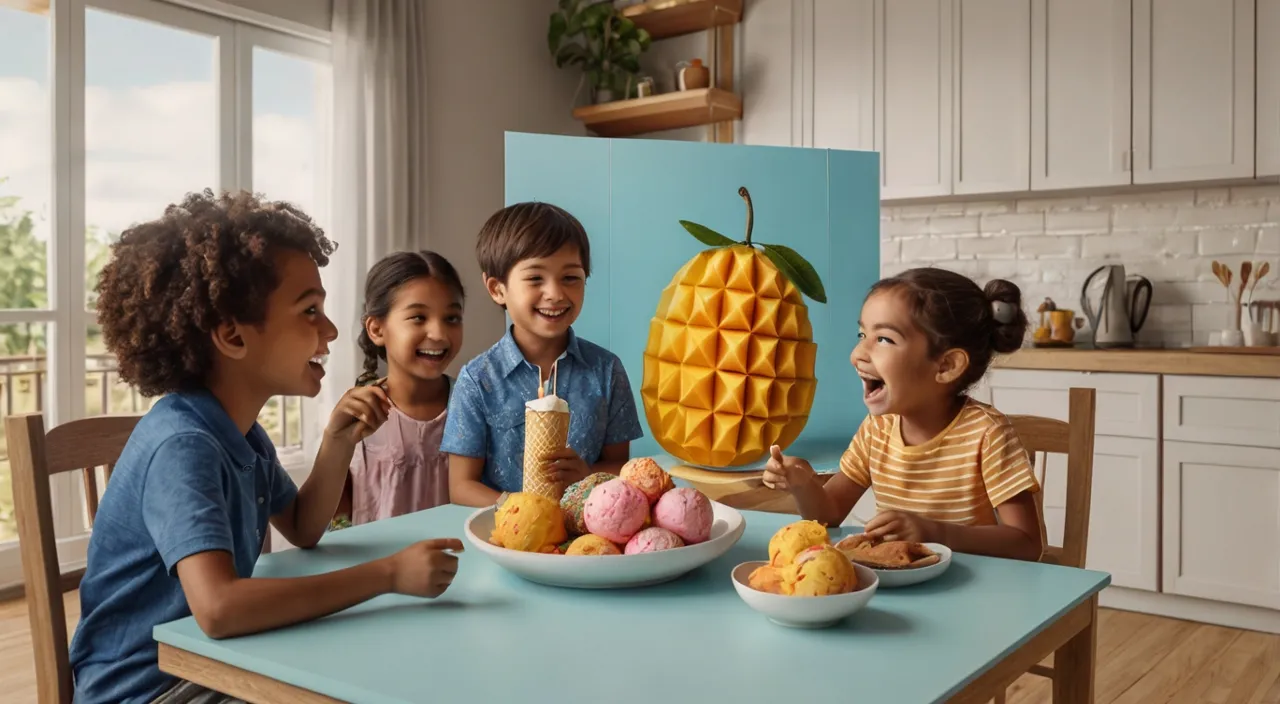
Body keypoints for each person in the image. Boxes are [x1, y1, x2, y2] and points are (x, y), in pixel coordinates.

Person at [69, 190, 463, 704]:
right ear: (232, 337)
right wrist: (386, 574)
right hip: (154, 689)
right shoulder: (184, 446)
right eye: (309, 311)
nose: (331, 330)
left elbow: (301, 526)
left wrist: (337, 440)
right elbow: (220, 609)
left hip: (218, 665)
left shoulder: (241, 433)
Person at [763, 267, 1045, 562]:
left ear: (946, 366)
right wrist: (803, 484)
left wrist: (934, 533)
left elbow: (1026, 544)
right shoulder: (878, 429)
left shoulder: (987, 434)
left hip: (973, 590)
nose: (857, 353)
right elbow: (829, 514)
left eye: (884, 339)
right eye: (862, 334)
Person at [442, 202, 644, 507]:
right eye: (535, 278)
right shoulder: (477, 379)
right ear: (497, 289)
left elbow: (620, 467)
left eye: (571, 278)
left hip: (586, 538)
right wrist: (520, 509)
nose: (555, 293)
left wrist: (587, 476)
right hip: (509, 535)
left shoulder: (606, 370)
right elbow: (461, 487)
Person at [332, 250, 466, 527]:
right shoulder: (358, 413)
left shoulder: (472, 406)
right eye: (418, 317)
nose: (439, 334)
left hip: (458, 564)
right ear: (377, 329)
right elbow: (335, 516)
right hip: (377, 567)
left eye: (451, 318)